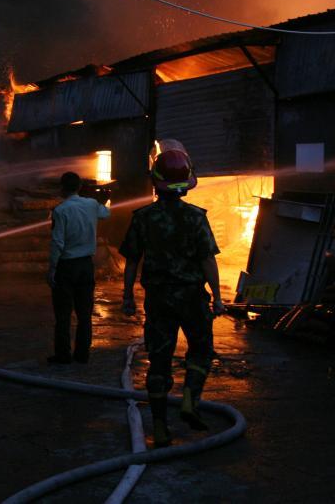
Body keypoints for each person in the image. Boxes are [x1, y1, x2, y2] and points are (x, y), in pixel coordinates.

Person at [119, 147, 225, 448]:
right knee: (201, 350)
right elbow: (207, 260)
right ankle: (190, 398)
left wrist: (127, 297)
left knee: (159, 360)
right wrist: (217, 297)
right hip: (192, 297)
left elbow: (132, 261)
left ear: (156, 182)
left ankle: (160, 427)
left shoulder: (143, 218)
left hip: (158, 299)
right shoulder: (196, 217)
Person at [47, 171, 110, 364]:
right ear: (80, 187)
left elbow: (57, 242)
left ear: (62, 188)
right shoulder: (91, 205)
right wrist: (101, 200)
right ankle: (82, 354)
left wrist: (52, 269)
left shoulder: (60, 211)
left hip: (66, 266)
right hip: (86, 266)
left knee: (63, 314)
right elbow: (106, 213)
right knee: (84, 314)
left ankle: (63, 355)